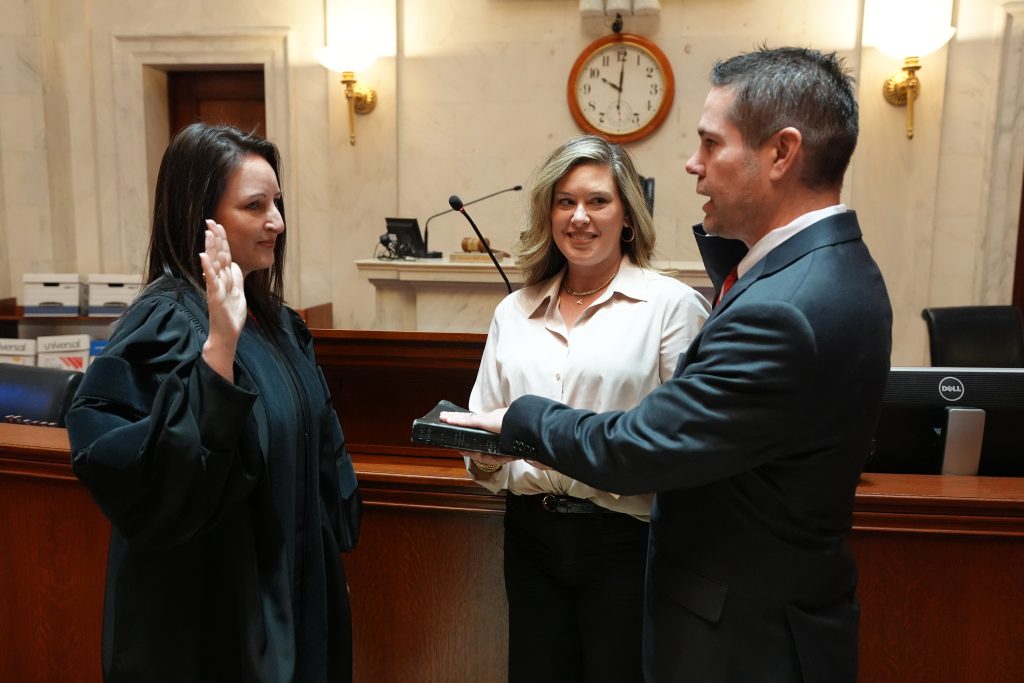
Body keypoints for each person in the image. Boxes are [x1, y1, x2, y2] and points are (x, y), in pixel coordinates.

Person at [444, 47, 893, 683]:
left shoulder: (783, 304)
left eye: (711, 144)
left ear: (781, 153)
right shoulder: (815, 273)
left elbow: (641, 446)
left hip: (742, 630)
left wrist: (518, 418)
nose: (692, 163)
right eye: (564, 202)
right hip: (574, 553)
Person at [65, 123, 361, 683]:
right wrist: (219, 349)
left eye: (277, 203)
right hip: (211, 622)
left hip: (294, 601)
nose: (277, 222)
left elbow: (321, 450)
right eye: (255, 206)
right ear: (203, 217)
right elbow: (145, 478)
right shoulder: (166, 323)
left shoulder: (279, 323)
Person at [465, 135, 709, 683]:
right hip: (530, 534)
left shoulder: (671, 307)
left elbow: (688, 443)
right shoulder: (514, 310)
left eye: (598, 201)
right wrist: (481, 459)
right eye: (565, 201)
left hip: (626, 540)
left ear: (626, 215)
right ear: (548, 212)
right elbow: (483, 434)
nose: (580, 217)